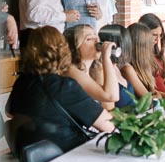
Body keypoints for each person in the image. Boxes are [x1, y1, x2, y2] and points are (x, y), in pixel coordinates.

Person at [6, 26, 115, 154]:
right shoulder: (64, 86)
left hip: (35, 159)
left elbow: (9, 112)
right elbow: (108, 126)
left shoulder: (22, 82)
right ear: (64, 49)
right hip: (69, 155)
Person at [64, 23, 121, 109]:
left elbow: (109, 106)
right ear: (75, 47)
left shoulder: (95, 69)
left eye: (96, 36)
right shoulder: (71, 71)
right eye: (89, 38)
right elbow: (111, 96)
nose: (97, 41)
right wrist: (106, 58)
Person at [139, 13, 165, 96]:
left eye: (160, 35)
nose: (157, 39)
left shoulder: (155, 54)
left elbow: (163, 78)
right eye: (154, 35)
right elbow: (147, 91)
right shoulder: (139, 58)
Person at [118, 22, 159, 99]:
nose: (152, 46)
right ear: (142, 47)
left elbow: (153, 93)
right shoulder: (127, 69)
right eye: (150, 43)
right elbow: (148, 99)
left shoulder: (143, 66)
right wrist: (157, 95)